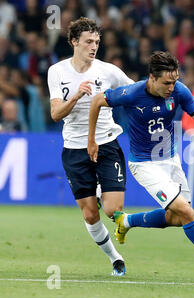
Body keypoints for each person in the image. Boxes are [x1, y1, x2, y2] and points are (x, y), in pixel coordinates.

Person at [87, 51, 194, 282]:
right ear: (152, 78)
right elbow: (97, 100)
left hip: (171, 161)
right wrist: (92, 140)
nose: (172, 87)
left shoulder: (180, 91)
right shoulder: (131, 93)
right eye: (167, 83)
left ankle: (127, 221)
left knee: (178, 218)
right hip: (144, 165)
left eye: (175, 81)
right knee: (188, 213)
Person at [47, 17, 134, 276]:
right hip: (74, 148)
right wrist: (76, 95)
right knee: (90, 215)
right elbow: (55, 115)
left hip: (106, 143)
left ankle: (100, 190)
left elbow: (134, 91)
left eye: (96, 41)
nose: (93, 46)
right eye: (88, 42)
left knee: (113, 210)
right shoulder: (57, 71)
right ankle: (115, 258)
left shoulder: (108, 71)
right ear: (74, 42)